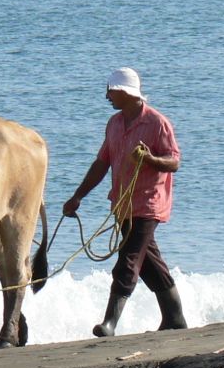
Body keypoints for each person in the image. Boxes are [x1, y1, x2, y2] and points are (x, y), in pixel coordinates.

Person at [63, 67, 187, 336]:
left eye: (112, 91)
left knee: (128, 260)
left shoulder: (157, 123)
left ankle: (110, 323)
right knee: (149, 263)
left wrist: (151, 160)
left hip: (149, 204)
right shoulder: (114, 124)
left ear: (127, 93)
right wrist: (77, 196)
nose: (107, 96)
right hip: (122, 205)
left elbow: (173, 161)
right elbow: (101, 163)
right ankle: (174, 318)